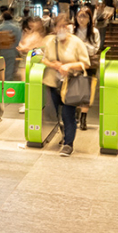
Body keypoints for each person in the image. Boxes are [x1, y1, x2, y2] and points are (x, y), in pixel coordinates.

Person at [41, 13, 90, 157]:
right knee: (56, 113)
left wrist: (69, 66)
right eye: (59, 26)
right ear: (55, 28)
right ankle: (64, 134)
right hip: (53, 83)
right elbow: (43, 58)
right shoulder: (50, 42)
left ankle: (68, 144)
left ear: (69, 27)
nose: (62, 29)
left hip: (71, 83)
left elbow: (86, 63)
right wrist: (54, 65)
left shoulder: (76, 42)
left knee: (67, 114)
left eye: (64, 26)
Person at [73, 7, 100, 131]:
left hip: (89, 64)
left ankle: (83, 118)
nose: (81, 19)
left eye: (84, 16)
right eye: (79, 16)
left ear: (89, 19)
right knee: (75, 90)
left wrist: (82, 45)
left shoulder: (94, 32)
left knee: (86, 92)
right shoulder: (72, 31)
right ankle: (76, 114)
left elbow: (95, 48)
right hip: (75, 63)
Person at [0, 11, 22, 82]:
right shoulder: (15, 27)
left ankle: (3, 82)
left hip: (2, 50)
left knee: (3, 68)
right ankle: (8, 83)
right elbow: (18, 39)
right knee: (10, 68)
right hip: (11, 50)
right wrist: (18, 50)